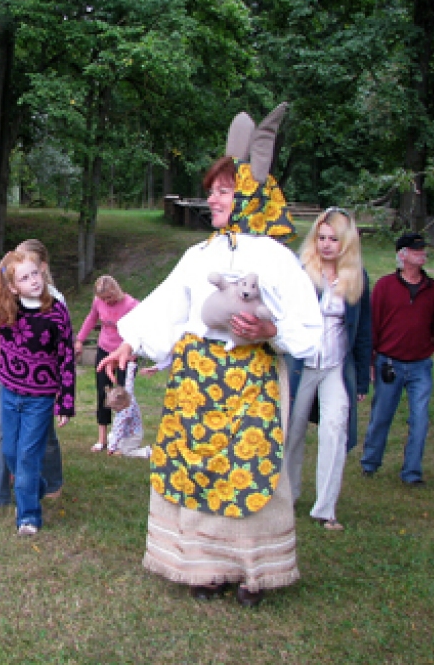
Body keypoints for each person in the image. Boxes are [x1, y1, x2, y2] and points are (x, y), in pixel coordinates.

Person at [100, 104, 323, 606]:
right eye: (213, 189)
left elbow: (309, 331)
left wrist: (270, 328)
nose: (212, 198)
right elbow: (167, 303)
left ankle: (252, 574)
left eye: (223, 190)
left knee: (248, 467)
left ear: (250, 192)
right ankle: (205, 568)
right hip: (198, 379)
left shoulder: (275, 257)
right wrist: (129, 344)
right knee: (197, 466)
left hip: (251, 378)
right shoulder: (198, 256)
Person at [286, 208, 371, 531]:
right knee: (292, 431)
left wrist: (362, 379)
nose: (326, 244)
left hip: (336, 366)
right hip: (301, 365)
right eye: (321, 237)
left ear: (346, 242)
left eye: (333, 239)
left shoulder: (357, 278)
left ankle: (325, 509)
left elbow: (363, 332)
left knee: (334, 429)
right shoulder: (301, 270)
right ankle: (288, 494)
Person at [0, 250, 76, 536]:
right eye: (24, 278)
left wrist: (65, 401)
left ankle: (28, 517)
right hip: (10, 391)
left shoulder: (55, 312)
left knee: (28, 455)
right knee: (10, 450)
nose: (33, 281)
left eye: (35, 274)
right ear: (14, 286)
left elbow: (66, 358)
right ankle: (36, 487)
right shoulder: (6, 306)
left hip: (40, 397)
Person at [361, 232, 434, 486]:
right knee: (382, 415)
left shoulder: (432, 289)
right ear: (402, 256)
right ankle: (370, 462)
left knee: (420, 419)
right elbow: (373, 325)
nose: (421, 253)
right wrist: (370, 359)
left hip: (421, 365)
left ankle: (412, 473)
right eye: (416, 250)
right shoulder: (385, 286)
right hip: (389, 362)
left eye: (422, 249)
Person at [75, 275, 139, 452]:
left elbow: (142, 330)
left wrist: (134, 351)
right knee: (103, 392)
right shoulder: (98, 302)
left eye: (109, 297)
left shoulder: (131, 305)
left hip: (125, 354)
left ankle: (122, 437)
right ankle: (102, 438)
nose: (106, 301)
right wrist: (80, 340)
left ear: (116, 291)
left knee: (123, 395)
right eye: (103, 299)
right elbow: (91, 319)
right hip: (104, 350)